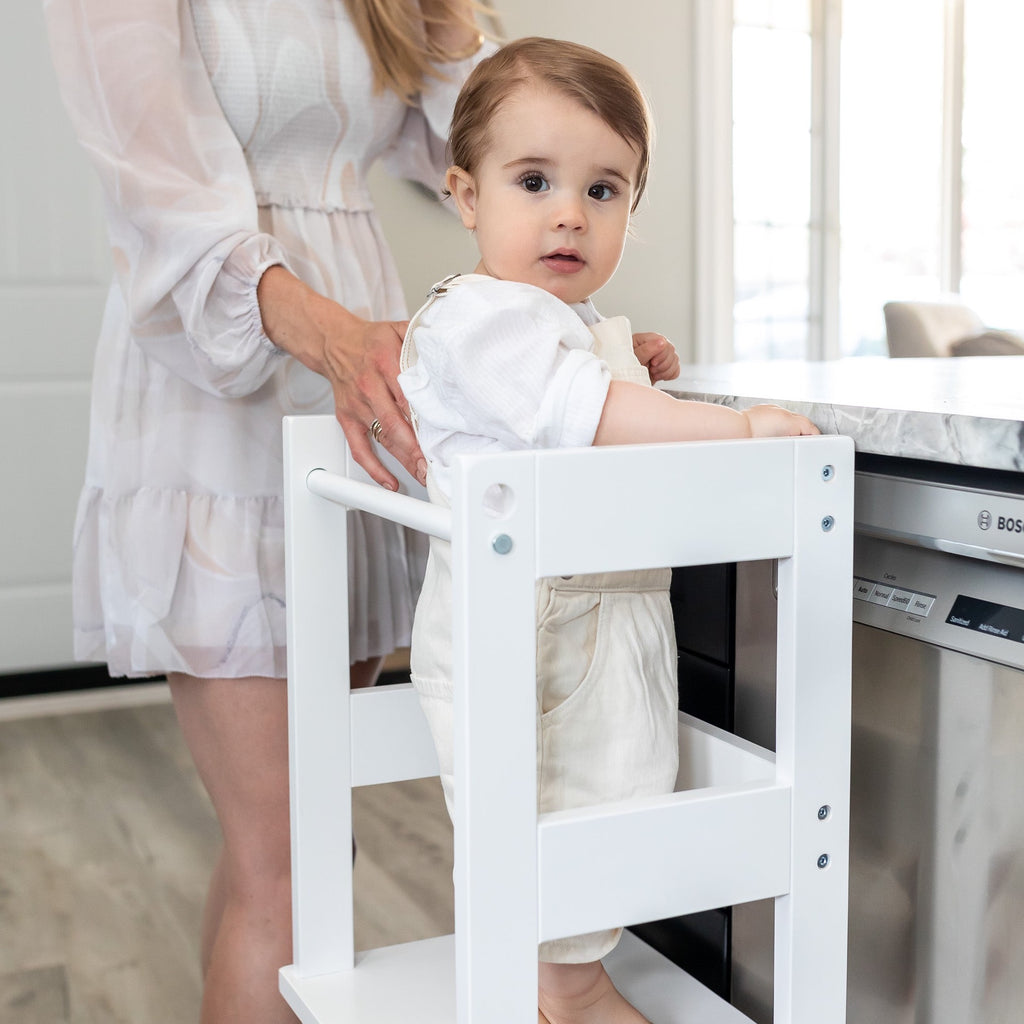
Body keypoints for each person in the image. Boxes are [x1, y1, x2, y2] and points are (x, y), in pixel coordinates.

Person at [43, 1, 494, 1021]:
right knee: (286, 858)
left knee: (295, 845)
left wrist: (453, 19)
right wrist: (332, 336)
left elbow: (496, 147)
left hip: (346, 406)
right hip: (218, 391)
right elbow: (161, 188)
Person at [397, 37, 820, 1024]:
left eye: (605, 190)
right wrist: (734, 428)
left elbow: (592, 391)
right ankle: (567, 988)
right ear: (465, 196)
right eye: (534, 180)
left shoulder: (554, 323)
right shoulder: (478, 319)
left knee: (622, 792)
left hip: (600, 618)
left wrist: (632, 360)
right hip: (532, 634)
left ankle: (568, 974)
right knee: (559, 806)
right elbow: (582, 416)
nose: (568, 213)